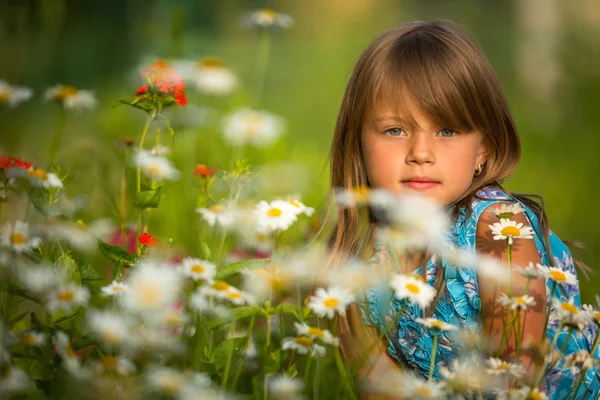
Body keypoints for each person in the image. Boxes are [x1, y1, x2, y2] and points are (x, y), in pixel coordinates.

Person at [327, 20, 600, 399]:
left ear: (483, 150)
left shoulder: (500, 229)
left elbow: (516, 374)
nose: (420, 153)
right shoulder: (364, 258)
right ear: (358, 143)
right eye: (395, 131)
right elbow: (376, 382)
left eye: (447, 131)